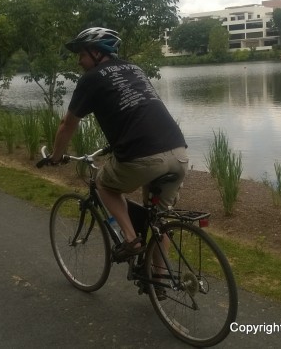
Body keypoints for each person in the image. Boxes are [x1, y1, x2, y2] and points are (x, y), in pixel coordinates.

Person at [49, 27, 188, 260]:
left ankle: (131, 239)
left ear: (96, 52)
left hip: (143, 156)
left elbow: (67, 124)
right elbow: (139, 109)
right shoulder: (135, 69)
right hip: (178, 150)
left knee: (105, 186)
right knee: (159, 221)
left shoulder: (91, 79)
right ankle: (161, 282)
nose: (79, 61)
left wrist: (55, 156)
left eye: (81, 54)